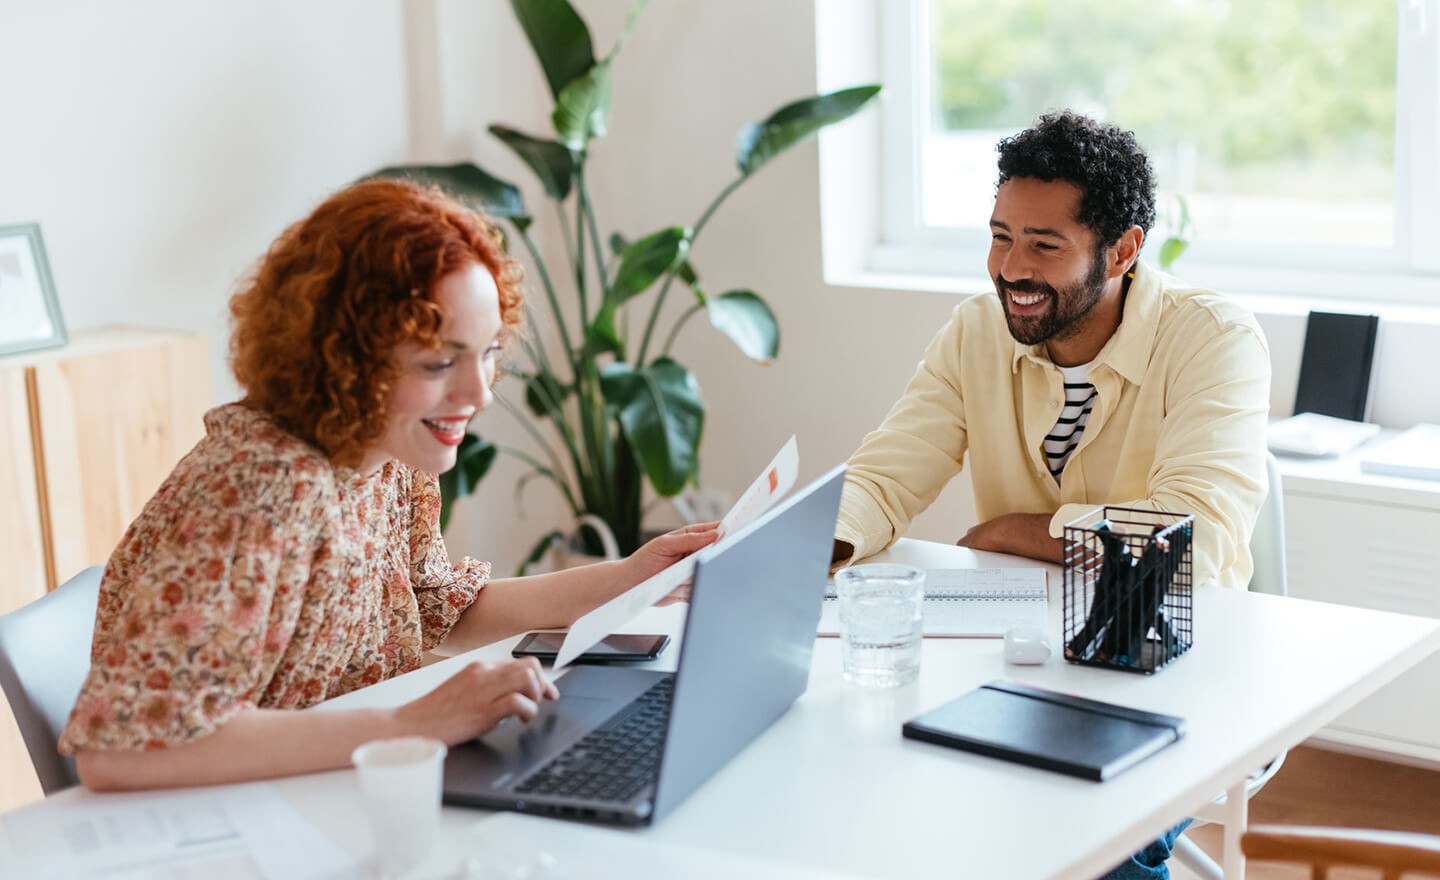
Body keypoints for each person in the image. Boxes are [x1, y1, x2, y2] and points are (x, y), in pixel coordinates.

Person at [59, 179, 718, 792]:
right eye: (439, 361)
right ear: (343, 358)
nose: (478, 393)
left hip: (339, 786)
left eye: (488, 352)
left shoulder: (385, 451)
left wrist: (629, 580)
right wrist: (416, 723)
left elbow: (432, 604)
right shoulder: (262, 490)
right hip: (244, 820)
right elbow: (120, 751)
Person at [832, 111, 1271, 879]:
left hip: (1168, 655)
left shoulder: (1213, 339)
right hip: (1018, 655)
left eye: (1044, 245)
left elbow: (1190, 541)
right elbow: (885, 473)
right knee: (882, 780)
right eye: (1001, 236)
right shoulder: (975, 331)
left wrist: (1020, 530)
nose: (1011, 268)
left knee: (1094, 838)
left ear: (1124, 250)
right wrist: (819, 545)